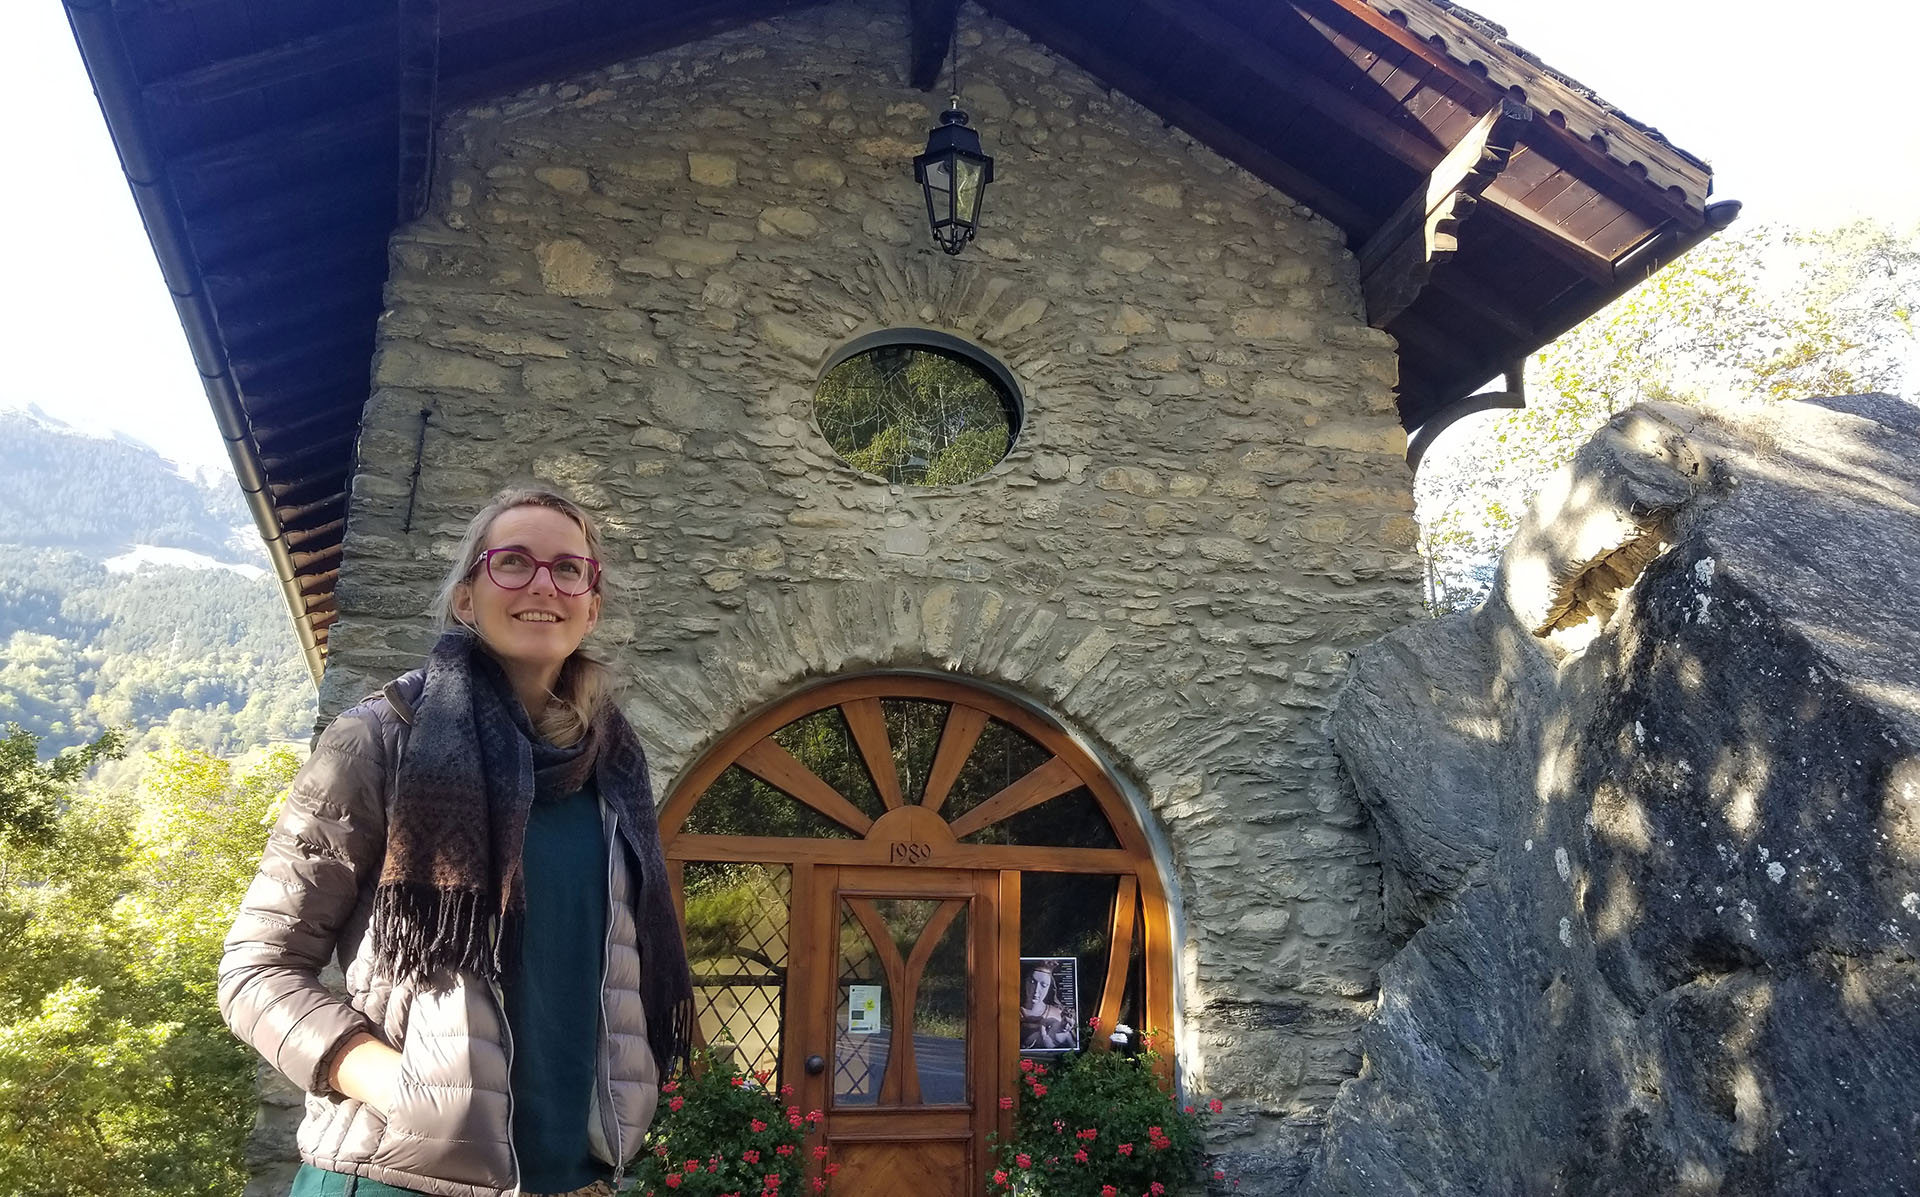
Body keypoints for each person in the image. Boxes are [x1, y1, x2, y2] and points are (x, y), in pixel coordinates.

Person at [219, 486, 694, 1197]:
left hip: (579, 1180)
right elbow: (256, 970)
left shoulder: (612, 767)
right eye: (512, 562)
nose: (543, 584)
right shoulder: (381, 740)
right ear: (467, 597)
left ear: (591, 605)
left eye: (569, 569)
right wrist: (391, 1081)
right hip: (398, 1176)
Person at [1018, 961, 1075, 1051]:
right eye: (1032, 982)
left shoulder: (1058, 1014)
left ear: (1049, 988)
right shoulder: (1013, 1012)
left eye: (1043, 985)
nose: (1036, 990)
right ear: (1025, 982)